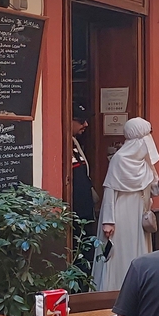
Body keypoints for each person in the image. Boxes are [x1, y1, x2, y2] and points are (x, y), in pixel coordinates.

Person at [95, 118, 159, 292]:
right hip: (122, 214)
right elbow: (110, 191)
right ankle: (117, 289)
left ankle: (139, 290)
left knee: (138, 251)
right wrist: (108, 221)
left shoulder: (145, 163)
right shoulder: (118, 160)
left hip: (140, 214)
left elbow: (152, 188)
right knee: (121, 253)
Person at [70, 105, 96, 267]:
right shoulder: (63, 142)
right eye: (80, 120)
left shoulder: (74, 142)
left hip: (85, 210)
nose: (85, 124)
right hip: (74, 212)